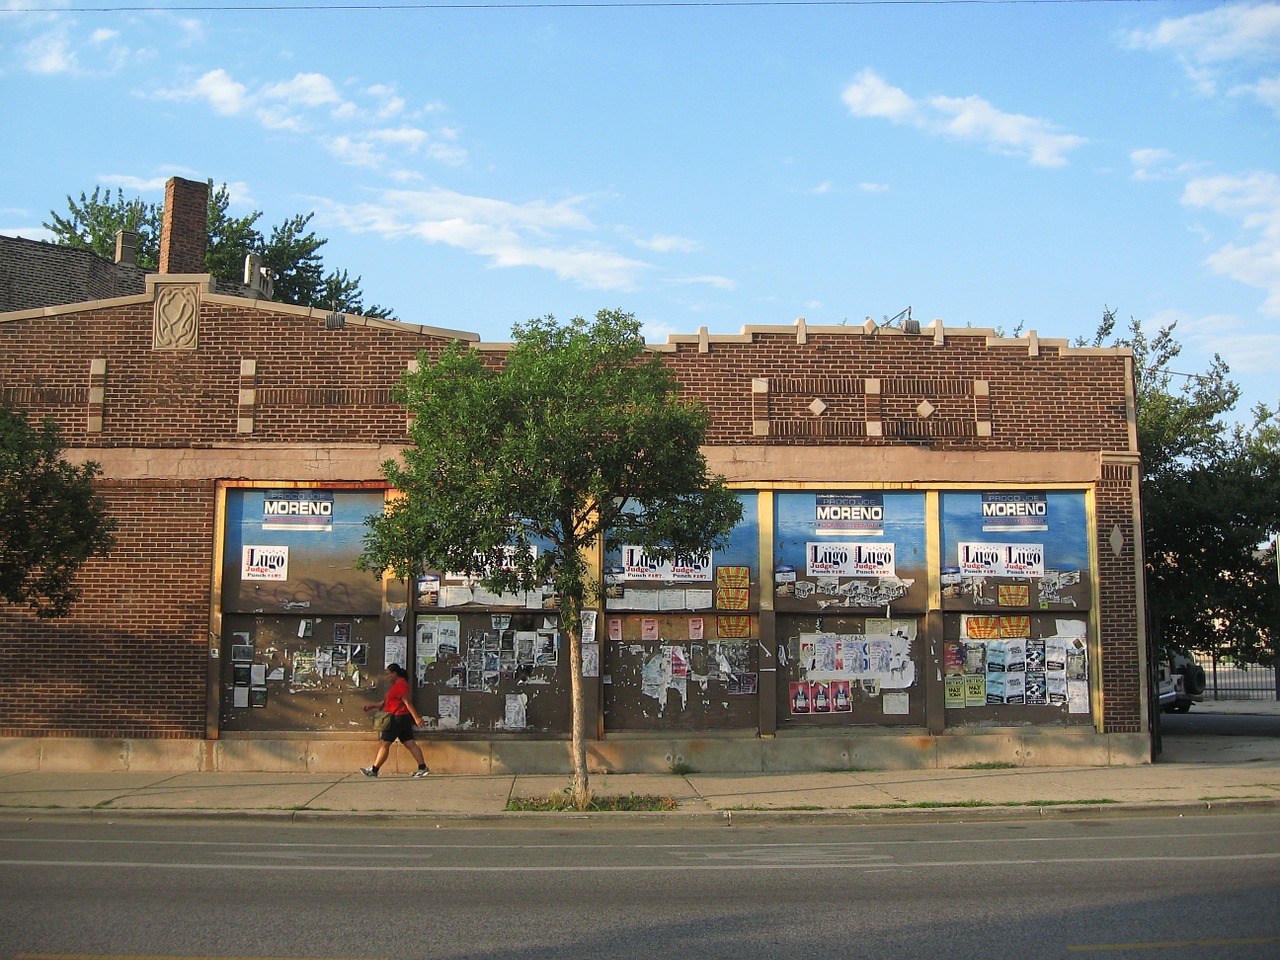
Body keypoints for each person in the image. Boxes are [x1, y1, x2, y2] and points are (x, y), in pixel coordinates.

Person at [361, 663, 430, 778]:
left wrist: (417, 718)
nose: (387, 677)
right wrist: (373, 706)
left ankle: (374, 770)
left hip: (396, 718)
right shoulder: (397, 685)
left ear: (394, 674)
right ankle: (423, 767)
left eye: (388, 674)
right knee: (410, 744)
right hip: (403, 718)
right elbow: (388, 701)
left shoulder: (401, 686)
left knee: (384, 744)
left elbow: (408, 703)